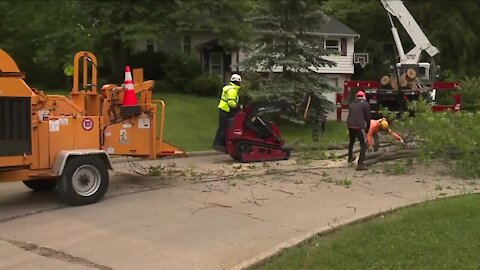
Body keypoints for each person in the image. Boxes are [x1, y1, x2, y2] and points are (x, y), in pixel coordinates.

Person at [212, 74, 242, 152]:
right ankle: (220, 145)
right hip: (227, 111)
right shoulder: (232, 90)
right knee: (225, 128)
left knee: (222, 127)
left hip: (223, 110)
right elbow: (231, 102)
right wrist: (238, 106)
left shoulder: (228, 88)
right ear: (237, 82)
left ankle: (218, 144)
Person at [346, 90, 371, 170]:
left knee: (351, 142)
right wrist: (367, 128)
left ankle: (350, 157)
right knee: (364, 144)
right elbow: (368, 118)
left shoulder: (352, 104)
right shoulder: (365, 104)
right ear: (364, 97)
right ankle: (360, 164)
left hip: (350, 125)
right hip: (359, 126)